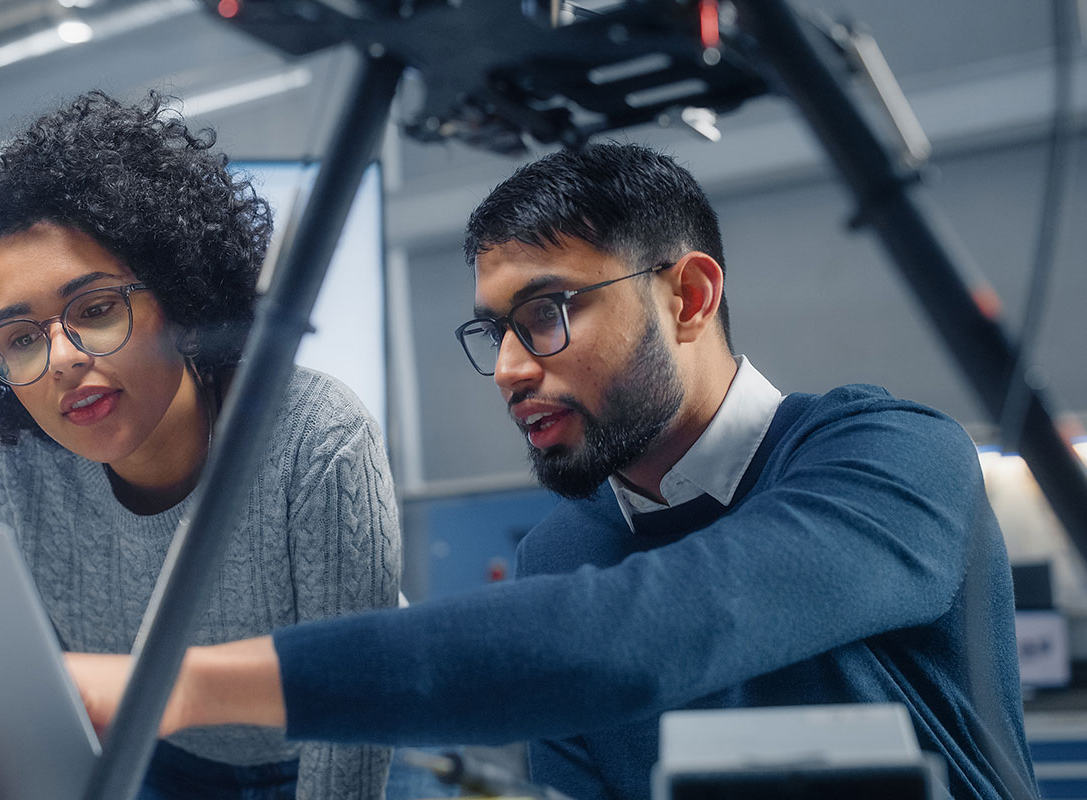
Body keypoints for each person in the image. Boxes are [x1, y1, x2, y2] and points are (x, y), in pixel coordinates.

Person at [65, 143, 1036, 800]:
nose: (510, 369)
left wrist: (184, 685)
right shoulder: (561, 551)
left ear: (689, 296)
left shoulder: (891, 457)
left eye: (546, 314)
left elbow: (643, 633)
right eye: (494, 331)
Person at [0, 91, 398, 800]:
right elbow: (36, 704)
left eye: (95, 310)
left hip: (342, 752)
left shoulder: (316, 437)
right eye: (22, 339)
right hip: (159, 761)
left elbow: (356, 712)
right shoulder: (21, 460)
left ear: (181, 303)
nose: (62, 359)